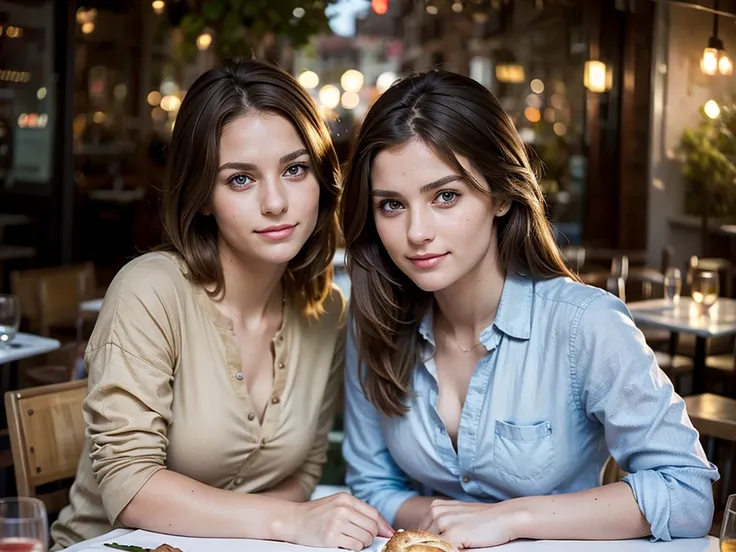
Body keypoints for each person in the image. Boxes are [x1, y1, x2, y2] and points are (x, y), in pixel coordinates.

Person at [339, 69, 718, 550]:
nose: (417, 232)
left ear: (500, 196)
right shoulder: (375, 318)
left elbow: (687, 492)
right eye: (391, 205)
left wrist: (511, 518)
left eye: (446, 196)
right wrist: (443, 518)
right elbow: (372, 483)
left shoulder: (585, 324)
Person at [51, 59, 392, 551]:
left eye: (294, 169)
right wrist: (289, 524)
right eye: (240, 179)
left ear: (321, 179)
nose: (275, 202)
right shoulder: (150, 291)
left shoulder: (327, 312)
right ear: (203, 195)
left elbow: (304, 473)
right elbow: (130, 487)